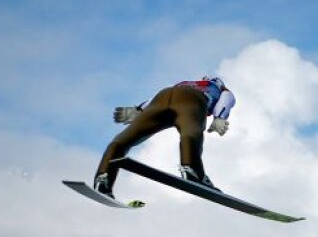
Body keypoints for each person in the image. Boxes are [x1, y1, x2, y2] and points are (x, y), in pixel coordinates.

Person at [94, 75, 235, 196]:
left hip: (162, 97)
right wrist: (220, 117)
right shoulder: (219, 89)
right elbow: (227, 98)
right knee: (191, 132)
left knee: (124, 139)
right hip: (191, 101)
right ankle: (192, 169)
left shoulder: (186, 83)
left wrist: (138, 110)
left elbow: (156, 98)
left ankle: (103, 176)